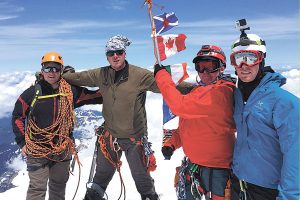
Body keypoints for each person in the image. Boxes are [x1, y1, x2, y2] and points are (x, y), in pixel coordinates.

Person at [62, 35, 160, 200]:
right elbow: (78, 78)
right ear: (107, 56)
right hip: (110, 137)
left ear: (124, 54)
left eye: (119, 52)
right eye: (111, 53)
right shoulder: (101, 74)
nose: (115, 56)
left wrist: (196, 89)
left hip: (134, 139)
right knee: (100, 178)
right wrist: (59, 73)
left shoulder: (140, 75)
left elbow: (168, 86)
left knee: (142, 181)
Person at [11, 52, 103, 200]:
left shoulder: (70, 92)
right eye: (48, 68)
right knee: (37, 189)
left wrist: (118, 89)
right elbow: (17, 117)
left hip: (62, 150)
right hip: (37, 152)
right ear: (42, 71)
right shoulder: (31, 93)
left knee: (59, 187)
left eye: (55, 68)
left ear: (61, 70)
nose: (52, 72)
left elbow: (95, 96)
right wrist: (22, 142)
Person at [154, 45, 236, 200]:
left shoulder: (221, 93)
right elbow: (188, 126)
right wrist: (172, 143)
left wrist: (161, 75)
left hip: (217, 174)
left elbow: (178, 106)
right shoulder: (199, 92)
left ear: (222, 68)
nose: (205, 72)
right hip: (194, 169)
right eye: (200, 67)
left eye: (211, 66)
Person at [229, 24, 300, 200]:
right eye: (238, 59)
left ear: (261, 59)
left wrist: (289, 196)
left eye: (250, 58)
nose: (244, 65)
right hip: (239, 183)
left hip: (268, 191)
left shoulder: (284, 102)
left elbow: (295, 154)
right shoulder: (238, 97)